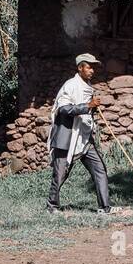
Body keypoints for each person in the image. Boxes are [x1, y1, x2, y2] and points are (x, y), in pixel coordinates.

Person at [47, 53, 111, 214]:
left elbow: (85, 110)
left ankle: (104, 207)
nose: (92, 71)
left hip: (84, 138)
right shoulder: (70, 85)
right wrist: (87, 105)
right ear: (80, 68)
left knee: (99, 169)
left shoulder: (87, 87)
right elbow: (63, 109)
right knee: (60, 173)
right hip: (68, 137)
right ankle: (52, 205)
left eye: (93, 67)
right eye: (89, 67)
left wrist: (91, 108)